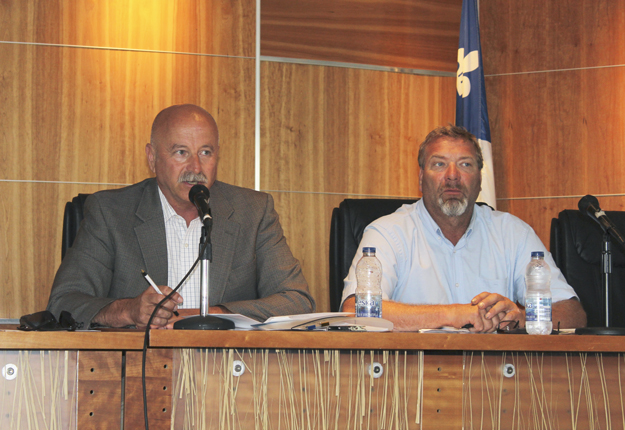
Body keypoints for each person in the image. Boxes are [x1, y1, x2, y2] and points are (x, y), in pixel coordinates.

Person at [47, 104, 315, 329]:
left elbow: (297, 299)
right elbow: (64, 302)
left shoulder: (253, 211)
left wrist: (212, 314)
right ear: (152, 158)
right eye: (181, 152)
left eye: (205, 152)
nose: (195, 167)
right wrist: (128, 311)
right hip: (141, 370)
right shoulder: (111, 212)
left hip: (229, 372)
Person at [341, 125, 586, 332]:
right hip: (412, 377)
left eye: (465, 164)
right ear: (420, 178)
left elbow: (573, 315)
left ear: (480, 179)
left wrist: (522, 318)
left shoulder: (513, 233)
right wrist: (454, 314)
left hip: (496, 378)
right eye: (439, 164)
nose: (452, 176)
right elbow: (355, 311)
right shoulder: (388, 233)